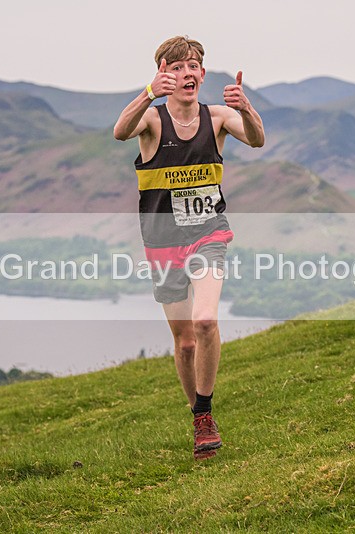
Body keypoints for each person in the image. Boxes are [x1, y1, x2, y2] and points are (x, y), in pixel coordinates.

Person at [113, 36, 265, 459]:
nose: (186, 74)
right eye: (176, 67)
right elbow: (120, 131)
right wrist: (148, 93)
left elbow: (257, 140)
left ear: (202, 73)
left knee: (205, 321)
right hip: (162, 242)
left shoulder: (217, 118)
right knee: (184, 343)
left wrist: (246, 108)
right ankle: (198, 415)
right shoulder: (152, 119)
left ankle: (205, 414)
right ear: (163, 74)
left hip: (208, 235)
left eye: (193, 66)